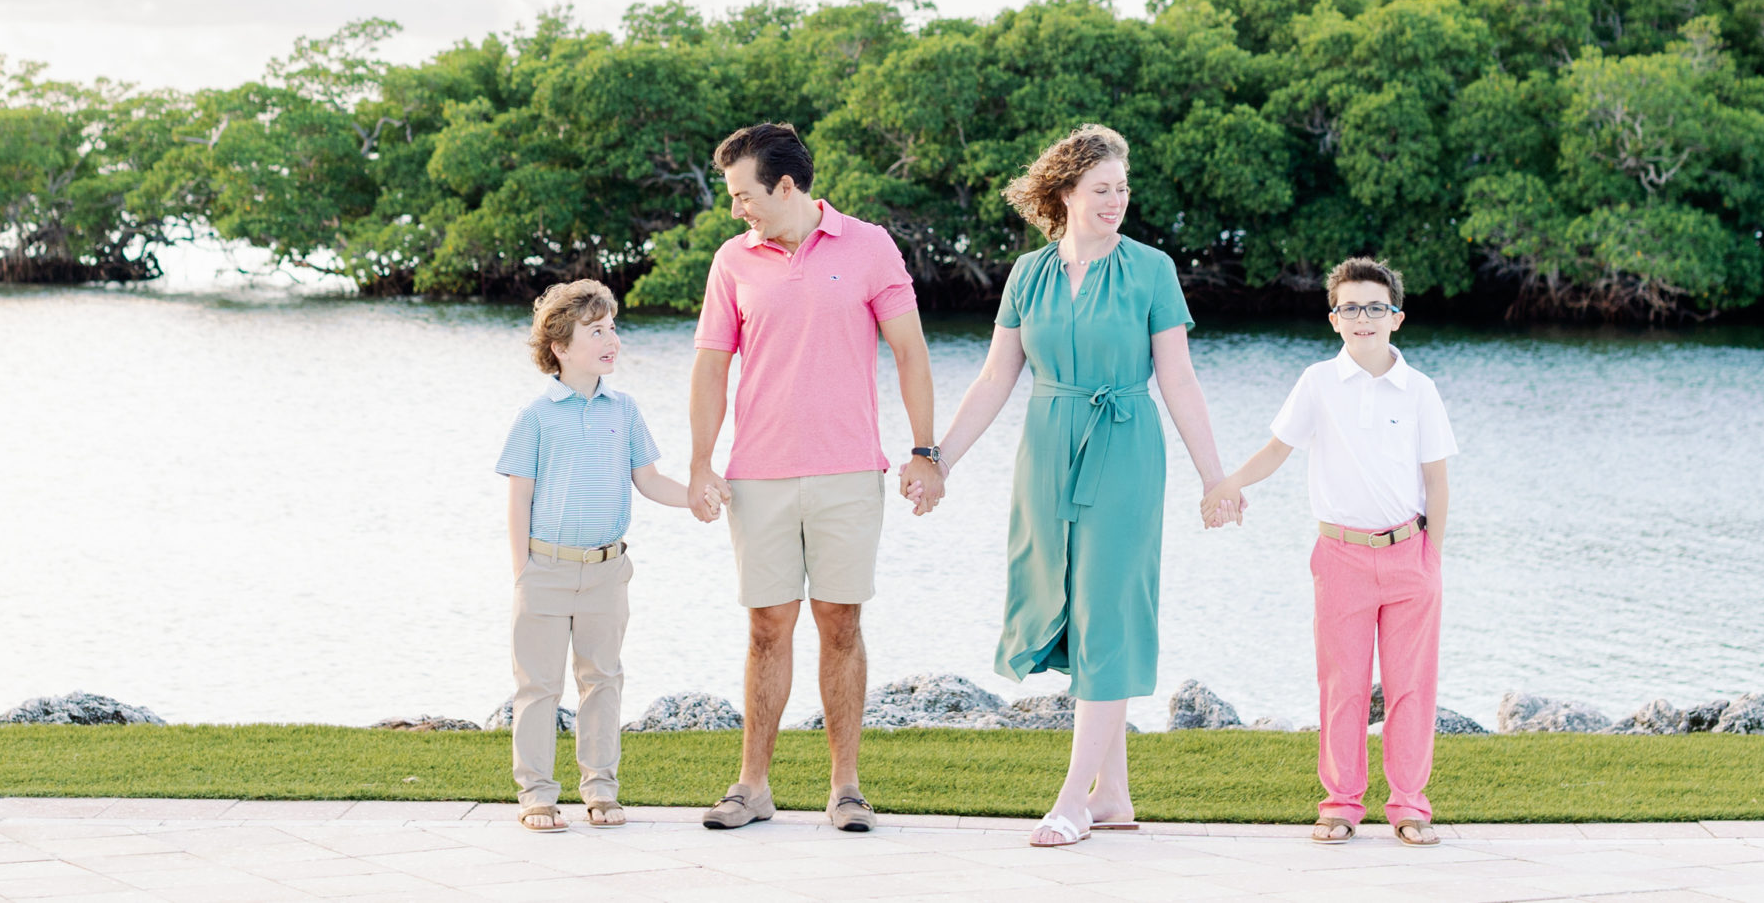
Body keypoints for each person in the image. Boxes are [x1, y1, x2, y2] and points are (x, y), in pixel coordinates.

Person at [927, 124, 1233, 848]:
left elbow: (1179, 378)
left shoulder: (1152, 269)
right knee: (1065, 603)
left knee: (1108, 608)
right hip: (1045, 446)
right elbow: (996, 377)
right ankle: (1114, 794)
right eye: (1102, 189)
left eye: (1123, 189)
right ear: (1065, 192)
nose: (1116, 201)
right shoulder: (1028, 274)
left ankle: (1072, 797)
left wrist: (1214, 476)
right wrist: (939, 458)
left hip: (1123, 443)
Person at [688, 122, 943, 834]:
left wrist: (926, 450)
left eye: (744, 194)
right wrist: (700, 462)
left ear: (787, 186)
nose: (737, 207)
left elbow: (910, 351)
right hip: (758, 475)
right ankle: (753, 786)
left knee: (842, 622)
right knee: (767, 626)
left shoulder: (870, 246)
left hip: (849, 471)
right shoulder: (731, 261)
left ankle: (846, 788)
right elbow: (711, 366)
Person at [1204, 256, 1455, 847]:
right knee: (1342, 685)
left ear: (1396, 317)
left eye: (1375, 307)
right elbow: (1276, 450)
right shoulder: (1316, 382)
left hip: (1409, 555)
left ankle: (1410, 806)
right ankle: (1340, 804)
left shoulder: (1420, 390)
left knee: (1411, 688)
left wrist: (1431, 560)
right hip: (1338, 556)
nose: (1362, 317)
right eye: (1350, 307)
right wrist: (1229, 484)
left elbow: (1438, 481)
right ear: (1333, 318)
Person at [497, 280, 693, 831]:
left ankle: (601, 790)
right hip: (544, 569)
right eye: (598, 330)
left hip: (608, 571)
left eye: (613, 328)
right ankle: (536, 794)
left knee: (602, 679)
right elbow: (519, 498)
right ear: (560, 346)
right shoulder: (535, 416)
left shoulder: (623, 410)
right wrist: (522, 574)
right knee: (538, 687)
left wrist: (699, 496)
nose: (612, 340)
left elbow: (650, 481)